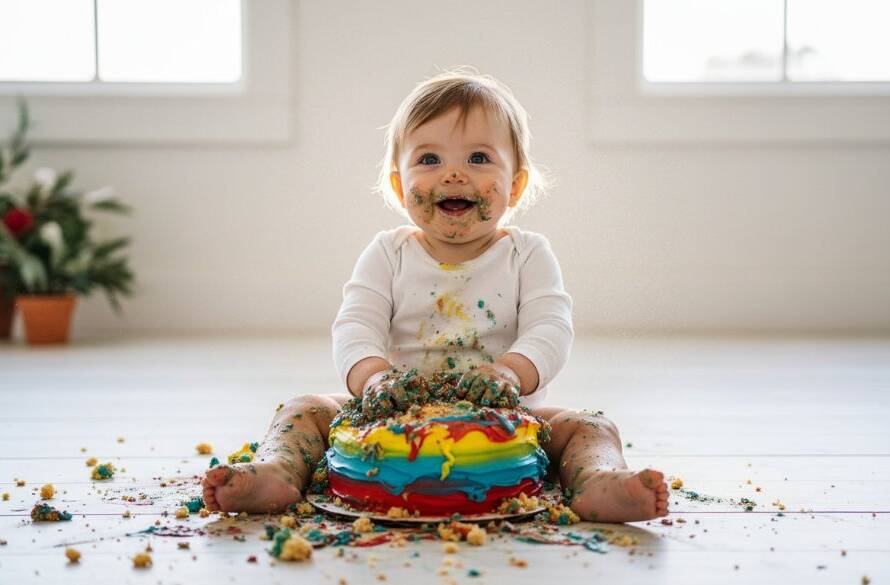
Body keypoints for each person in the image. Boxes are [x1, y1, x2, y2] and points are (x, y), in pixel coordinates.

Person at [202, 68, 669, 522]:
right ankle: (278, 472)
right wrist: (373, 379)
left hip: (506, 420)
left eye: (479, 158)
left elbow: (551, 328)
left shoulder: (527, 254)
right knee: (302, 410)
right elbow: (355, 326)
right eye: (429, 160)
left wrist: (509, 372)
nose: (453, 175)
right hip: (391, 412)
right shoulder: (389, 252)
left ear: (516, 185)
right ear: (399, 185)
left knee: (591, 425)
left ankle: (600, 482)